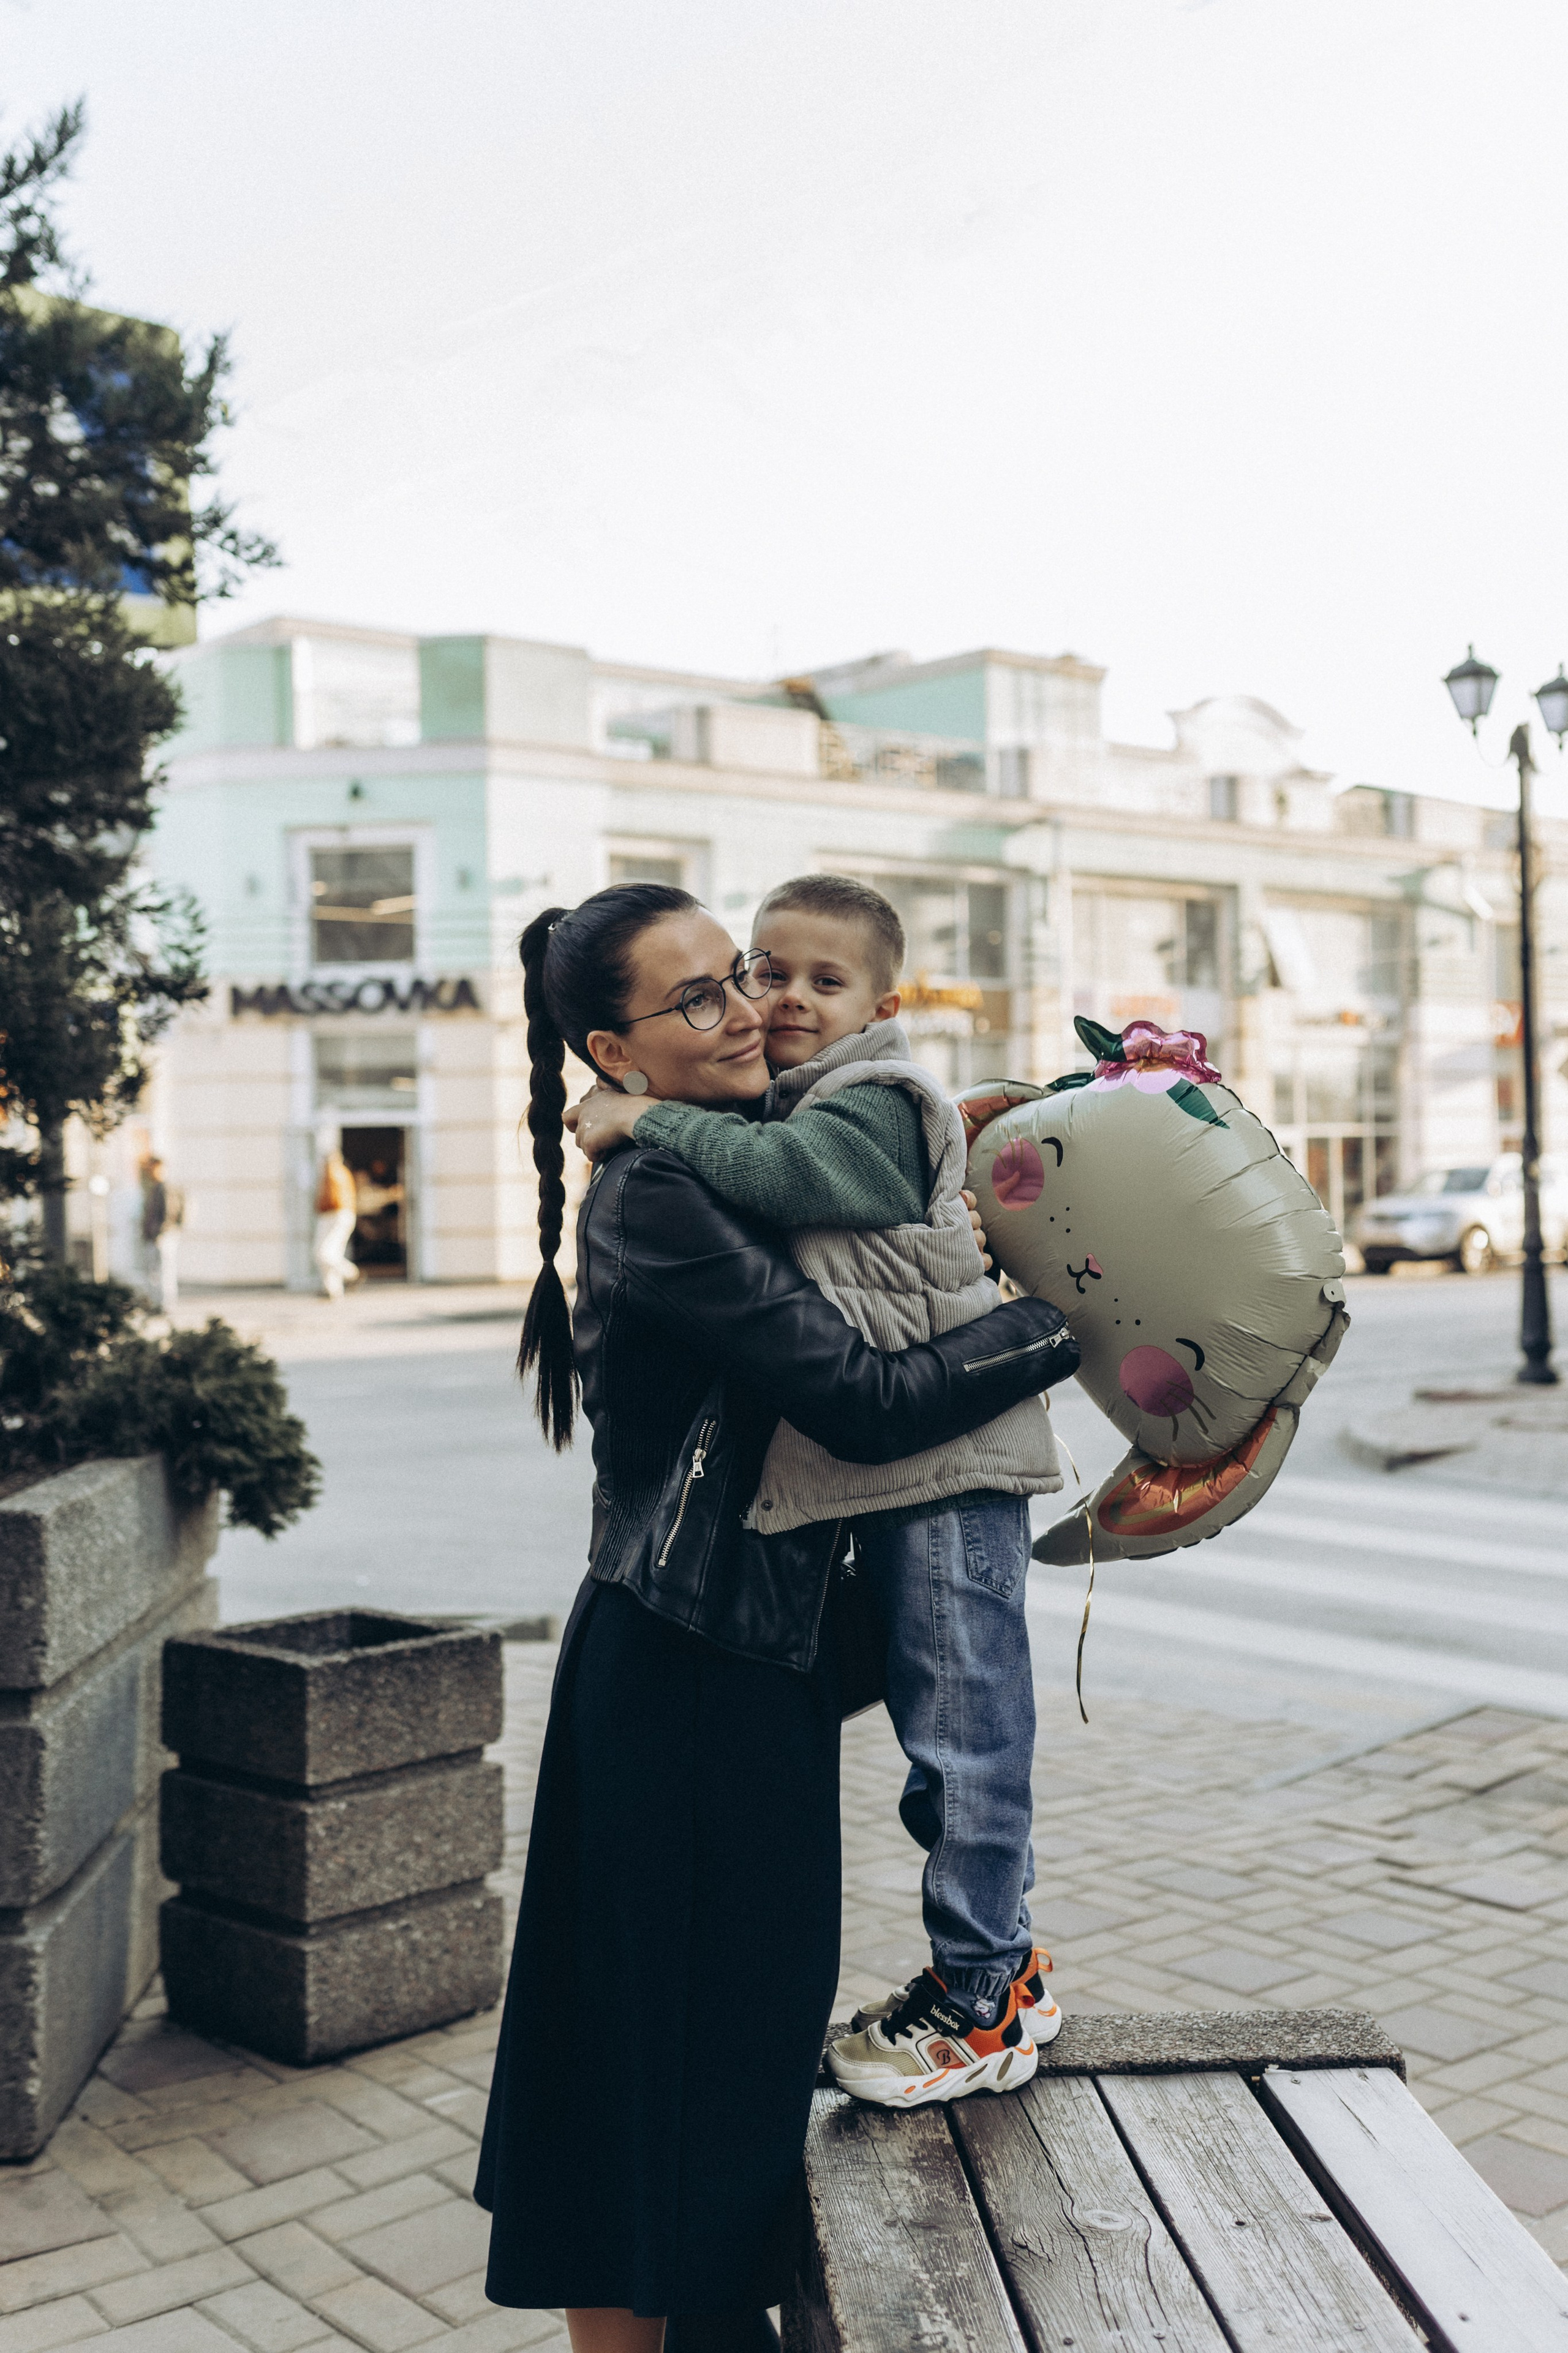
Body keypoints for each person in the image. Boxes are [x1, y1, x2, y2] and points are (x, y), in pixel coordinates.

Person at [475, 882, 1076, 2353]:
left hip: (721, 1684)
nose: (746, 1006)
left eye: (735, 973)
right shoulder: (667, 1193)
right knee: (672, 2115)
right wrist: (1080, 1312)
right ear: (614, 1056)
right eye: (696, 999)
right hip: (687, 1700)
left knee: (667, 2101)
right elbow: (864, 1406)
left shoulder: (739, 1153)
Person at [570, 875, 1068, 2110]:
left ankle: (987, 1990)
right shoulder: (795, 1102)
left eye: (819, 981)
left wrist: (641, 1119)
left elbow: (793, 1179)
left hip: (951, 1465)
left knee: (965, 1733)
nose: (775, 999)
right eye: (759, 971)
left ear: (883, 1005)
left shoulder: (874, 1096)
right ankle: (986, 1964)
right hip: (908, 1466)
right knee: (937, 1738)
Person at [312, 1146, 360, 1301]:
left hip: (335, 1215)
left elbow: (333, 1199)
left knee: (323, 1253)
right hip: (336, 1215)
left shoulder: (335, 1173)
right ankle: (333, 1290)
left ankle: (351, 1273)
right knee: (330, 1253)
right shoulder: (337, 1173)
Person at [140, 1157, 184, 1310]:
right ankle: (158, 1303)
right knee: (156, 1271)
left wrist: (160, 1234)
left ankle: (164, 1305)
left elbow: (169, 1213)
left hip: (162, 1237)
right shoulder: (155, 1188)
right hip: (157, 1236)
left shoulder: (165, 1188)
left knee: (163, 1271)